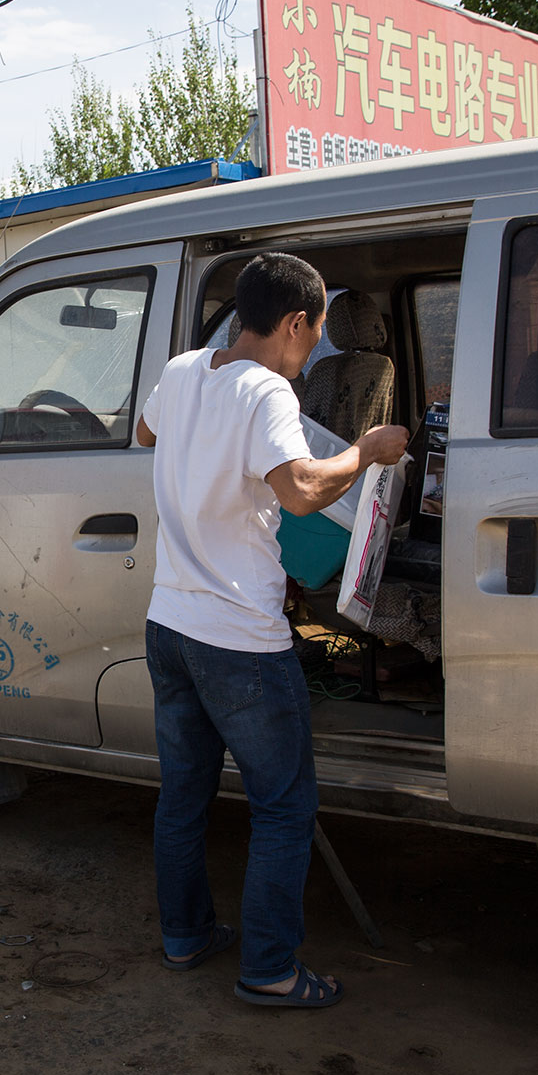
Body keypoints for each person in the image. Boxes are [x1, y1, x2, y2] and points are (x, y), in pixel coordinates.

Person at [133, 253, 408, 1007]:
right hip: (240, 640)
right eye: (313, 334)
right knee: (283, 804)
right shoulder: (267, 392)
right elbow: (301, 492)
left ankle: (186, 936)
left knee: (183, 795)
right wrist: (366, 450)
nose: (311, 349)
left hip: (171, 622)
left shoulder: (186, 367)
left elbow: (145, 432)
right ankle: (271, 970)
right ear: (294, 324)